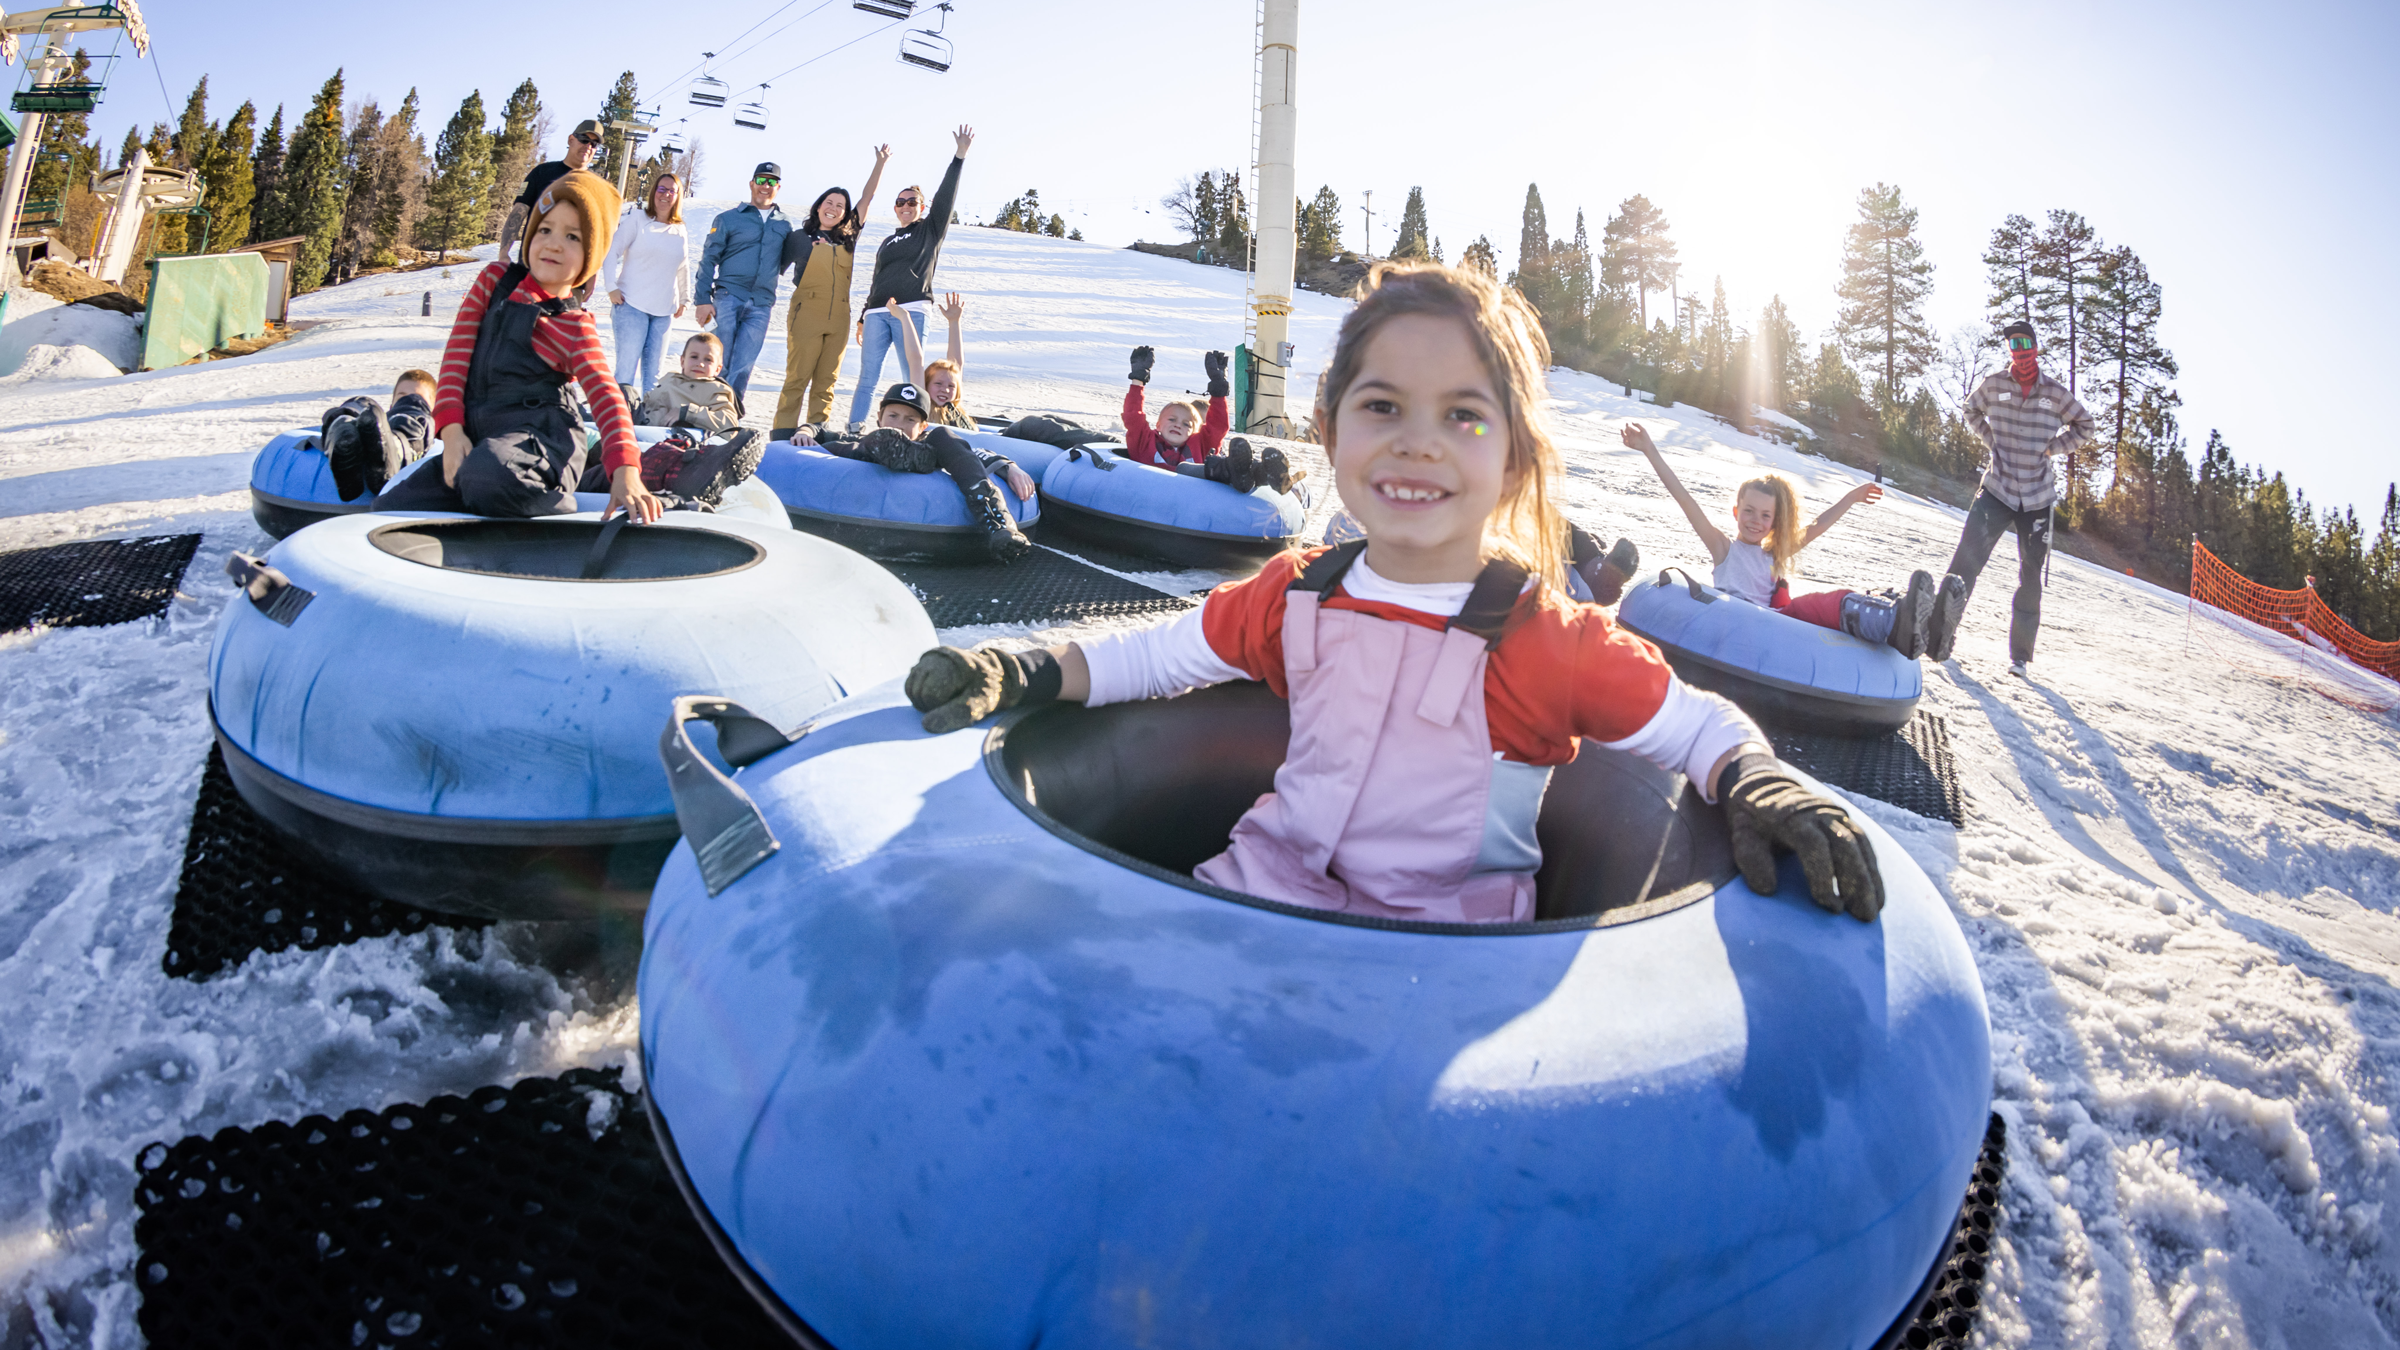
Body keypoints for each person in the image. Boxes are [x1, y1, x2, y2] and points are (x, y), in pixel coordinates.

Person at [905, 261, 1884, 925]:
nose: (1417, 440)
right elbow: (1156, 656)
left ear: (1513, 461)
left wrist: (1759, 781)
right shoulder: (1296, 594)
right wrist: (1026, 664)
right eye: (1383, 407)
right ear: (1332, 433)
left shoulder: (1547, 637)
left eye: (1463, 415)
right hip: (1244, 912)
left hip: (1439, 969)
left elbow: (1697, 728)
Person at [375, 172, 662, 524]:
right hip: (481, 444)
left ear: (591, 256)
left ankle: (561, 519)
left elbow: (606, 395)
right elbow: (456, 358)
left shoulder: (572, 325)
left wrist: (626, 468)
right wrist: (450, 433)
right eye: (545, 230)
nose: (554, 244)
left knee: (486, 475)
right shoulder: (494, 280)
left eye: (572, 236)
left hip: (543, 443)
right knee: (392, 509)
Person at [1627, 423, 1963, 661]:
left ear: (1774, 521)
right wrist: (1650, 450)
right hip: (1744, 628)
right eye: (1748, 511)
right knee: (1815, 604)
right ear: (1735, 511)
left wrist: (1851, 497)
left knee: (1831, 601)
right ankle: (1906, 621)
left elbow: (1817, 526)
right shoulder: (1722, 549)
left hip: (1778, 621)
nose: (1755, 521)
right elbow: (1687, 501)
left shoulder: (1774, 554)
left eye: (1764, 516)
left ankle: (1911, 623)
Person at [1948, 320, 2094, 677]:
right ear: (2010, 350)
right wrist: (1990, 440)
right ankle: (1941, 635)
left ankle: (2020, 658)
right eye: (2015, 344)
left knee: (2030, 576)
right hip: (1997, 490)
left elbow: (2085, 427)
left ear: (2036, 348)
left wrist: (2054, 448)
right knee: (1966, 563)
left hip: (2037, 498)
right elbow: (1970, 410)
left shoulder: (2056, 394)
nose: (2021, 351)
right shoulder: (1994, 384)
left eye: (2027, 343)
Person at [811, 381, 1034, 563]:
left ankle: (997, 523)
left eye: (910, 420)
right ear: (879, 417)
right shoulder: (866, 438)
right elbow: (824, 435)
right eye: (893, 416)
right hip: (871, 450)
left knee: (943, 438)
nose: (900, 424)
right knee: (861, 444)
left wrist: (1008, 467)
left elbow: (976, 454)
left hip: (926, 455)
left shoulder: (936, 440)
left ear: (923, 426)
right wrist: (806, 431)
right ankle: (884, 451)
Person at [848, 126, 974, 429]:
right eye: (901, 202)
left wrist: (959, 157)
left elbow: (946, 197)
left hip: (913, 309)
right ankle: (854, 428)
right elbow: (878, 279)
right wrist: (865, 314)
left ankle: (920, 428)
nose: (906, 206)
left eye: (912, 202)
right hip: (878, 312)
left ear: (922, 207)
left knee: (912, 375)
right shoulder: (888, 242)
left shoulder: (929, 231)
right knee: (868, 376)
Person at [769, 146, 891, 435]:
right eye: (829, 202)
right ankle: (783, 435)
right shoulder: (799, 238)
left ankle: (816, 431)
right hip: (807, 313)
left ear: (844, 213)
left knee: (827, 381)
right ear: (818, 206)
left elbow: (867, 197)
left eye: (839, 205)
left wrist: (880, 164)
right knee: (797, 378)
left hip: (839, 318)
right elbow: (771, 267)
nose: (833, 208)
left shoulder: (848, 237)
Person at [694, 162, 794, 411]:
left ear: (778, 188)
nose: (765, 186)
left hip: (761, 304)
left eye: (772, 182)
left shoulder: (784, 224)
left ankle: (728, 418)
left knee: (744, 365)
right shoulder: (728, 218)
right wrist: (702, 299)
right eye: (761, 180)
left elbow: (784, 262)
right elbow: (708, 259)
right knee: (718, 359)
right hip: (727, 297)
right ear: (752, 184)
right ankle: (705, 413)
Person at [602, 171, 693, 399]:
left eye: (671, 191)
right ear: (654, 192)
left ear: (678, 196)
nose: (665, 195)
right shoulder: (638, 219)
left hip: (663, 312)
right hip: (631, 304)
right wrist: (611, 286)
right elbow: (611, 251)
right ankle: (617, 422)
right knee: (626, 371)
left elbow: (683, 266)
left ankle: (646, 424)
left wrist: (684, 298)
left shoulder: (680, 229)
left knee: (653, 378)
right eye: (661, 189)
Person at [498, 119, 603, 274]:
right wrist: (503, 254)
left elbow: (596, 233)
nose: (588, 146)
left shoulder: (597, 186)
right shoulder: (541, 173)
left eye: (594, 144)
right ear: (571, 140)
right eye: (584, 140)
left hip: (571, 274)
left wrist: (591, 274)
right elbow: (518, 213)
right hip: (533, 267)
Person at [320, 368, 437, 501]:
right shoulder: (380, 418)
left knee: (413, 415)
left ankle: (393, 451)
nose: (405, 399)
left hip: (402, 431)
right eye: (401, 396)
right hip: (383, 426)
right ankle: (344, 432)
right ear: (391, 404)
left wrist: (412, 403)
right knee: (360, 402)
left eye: (418, 396)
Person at [889, 292, 974, 429]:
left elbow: (956, 363)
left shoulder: (955, 411)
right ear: (926, 385)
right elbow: (915, 359)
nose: (945, 389)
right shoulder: (923, 406)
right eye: (938, 383)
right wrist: (905, 318)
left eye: (951, 386)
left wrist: (954, 322)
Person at [641, 333, 742, 434]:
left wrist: (688, 413)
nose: (700, 364)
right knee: (627, 391)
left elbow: (729, 424)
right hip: (644, 425)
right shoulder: (671, 379)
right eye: (694, 357)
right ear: (682, 361)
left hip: (673, 436)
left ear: (717, 369)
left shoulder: (715, 389)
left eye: (708, 360)